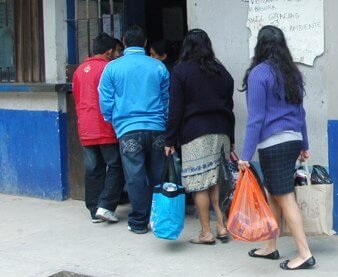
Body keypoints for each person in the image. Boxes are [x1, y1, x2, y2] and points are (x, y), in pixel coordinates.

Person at [238, 25, 315, 270]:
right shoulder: (292, 72)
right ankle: (270, 246)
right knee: (274, 192)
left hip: (273, 143)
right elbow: (300, 113)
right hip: (291, 140)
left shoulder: (259, 74)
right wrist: (303, 143)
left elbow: (256, 118)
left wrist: (245, 156)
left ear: (259, 45)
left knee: (284, 196)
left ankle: (304, 253)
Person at [164, 29, 235, 244]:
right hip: (221, 132)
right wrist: (231, 139)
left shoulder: (181, 71)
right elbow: (229, 106)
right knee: (215, 181)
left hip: (196, 134)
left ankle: (206, 233)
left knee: (199, 184)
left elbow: (175, 108)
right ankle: (221, 226)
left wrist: (169, 138)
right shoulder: (221, 71)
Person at [99, 25, 170, 235]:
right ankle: (158, 219)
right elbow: (167, 99)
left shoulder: (112, 68)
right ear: (146, 42)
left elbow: (105, 100)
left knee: (135, 176)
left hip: (128, 129)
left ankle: (139, 222)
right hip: (157, 128)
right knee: (157, 175)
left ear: (123, 41)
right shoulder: (158, 67)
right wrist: (163, 122)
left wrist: (114, 121)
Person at [72, 33, 125, 224]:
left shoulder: (79, 70)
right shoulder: (108, 68)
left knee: (93, 168)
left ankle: (94, 209)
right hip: (104, 126)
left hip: (85, 127)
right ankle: (106, 206)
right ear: (109, 52)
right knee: (116, 166)